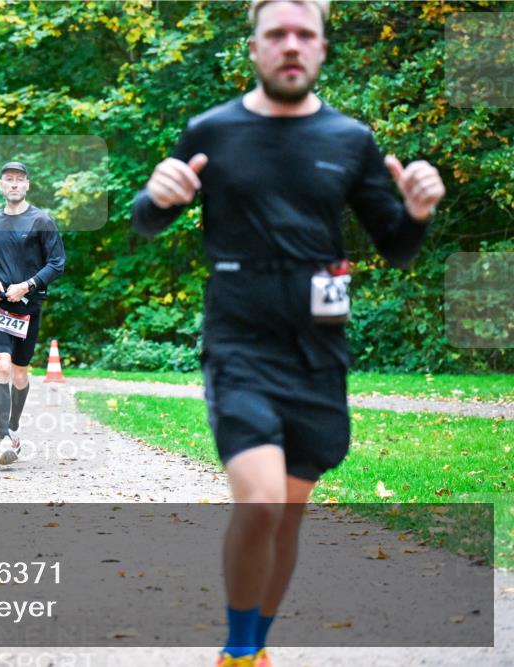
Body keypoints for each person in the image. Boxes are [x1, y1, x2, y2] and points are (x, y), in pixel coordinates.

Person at [130, 2, 445, 665]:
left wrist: (415, 211)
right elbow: (146, 221)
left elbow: (397, 245)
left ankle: (254, 644)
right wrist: (158, 198)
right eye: (278, 34)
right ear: (254, 48)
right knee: (263, 502)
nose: (292, 45)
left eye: (306, 34)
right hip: (239, 344)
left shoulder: (348, 139)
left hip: (318, 353)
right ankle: (239, 652)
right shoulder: (211, 130)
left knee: (290, 513)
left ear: (324, 49)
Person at [0, 161, 66, 466]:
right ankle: (3, 439)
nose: (14, 184)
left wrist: (27, 286)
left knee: (21, 373)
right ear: (1, 185)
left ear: (27, 185)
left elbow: (57, 263)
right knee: (1, 366)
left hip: (28, 307)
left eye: (19, 180)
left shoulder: (42, 220)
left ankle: (13, 427)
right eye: (8, 179)